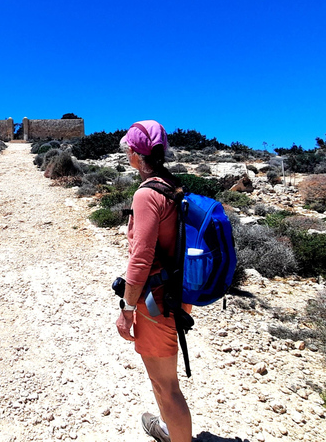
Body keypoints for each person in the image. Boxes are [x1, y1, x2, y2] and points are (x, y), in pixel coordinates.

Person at [115, 120, 192, 442]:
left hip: (156, 302)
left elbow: (141, 259)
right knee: (165, 381)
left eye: (128, 151)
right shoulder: (173, 186)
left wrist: (127, 307)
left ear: (134, 154)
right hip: (176, 292)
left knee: (165, 384)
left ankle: (178, 437)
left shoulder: (147, 194)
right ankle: (167, 429)